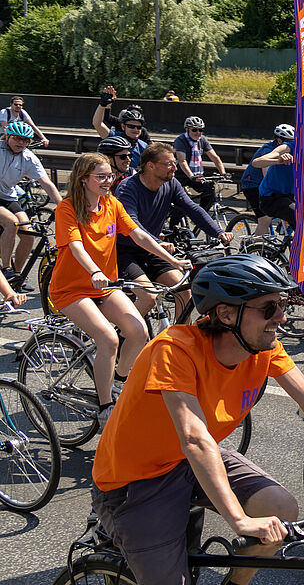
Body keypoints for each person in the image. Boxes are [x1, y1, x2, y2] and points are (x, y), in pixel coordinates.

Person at [91, 254, 304, 585]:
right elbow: (195, 437)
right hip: (135, 482)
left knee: (281, 508)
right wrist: (239, 520)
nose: (281, 318)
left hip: (190, 461)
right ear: (226, 313)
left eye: (282, 305)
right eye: (268, 309)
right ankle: (113, 531)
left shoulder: (263, 347)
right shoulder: (175, 349)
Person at [51, 154, 188, 424]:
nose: (107, 182)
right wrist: (95, 271)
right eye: (100, 177)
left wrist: (171, 260)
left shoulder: (111, 204)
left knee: (138, 331)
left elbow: (137, 234)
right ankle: (105, 407)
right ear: (83, 179)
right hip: (72, 289)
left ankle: (118, 381)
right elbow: (76, 246)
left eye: (109, 177)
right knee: (108, 339)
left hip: (104, 286)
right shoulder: (67, 209)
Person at [116, 143, 233, 319]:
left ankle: (177, 343)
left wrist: (218, 232)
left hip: (153, 250)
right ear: (150, 165)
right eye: (169, 163)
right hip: (125, 252)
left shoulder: (171, 183)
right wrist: (158, 242)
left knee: (184, 293)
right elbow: (132, 224)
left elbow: (192, 209)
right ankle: (126, 337)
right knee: (149, 297)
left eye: (175, 163)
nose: (175, 168)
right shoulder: (128, 188)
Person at [0, 121, 62, 292]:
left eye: (25, 140)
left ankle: (16, 277)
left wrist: (63, 207)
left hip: (7, 197)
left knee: (28, 233)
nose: (21, 143)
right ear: (8, 137)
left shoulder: (28, 158)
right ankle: (6, 269)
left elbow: (47, 183)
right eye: (17, 139)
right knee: (11, 222)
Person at [239, 124, 291, 235]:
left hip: (265, 185)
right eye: (288, 140)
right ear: (279, 140)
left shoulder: (290, 150)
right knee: (265, 219)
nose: (291, 143)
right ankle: (256, 248)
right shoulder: (268, 150)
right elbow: (266, 175)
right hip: (252, 185)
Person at [173, 116, 229, 213]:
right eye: (194, 130)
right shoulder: (180, 140)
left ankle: (200, 216)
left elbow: (215, 157)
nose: (198, 133)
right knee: (181, 204)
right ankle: (173, 225)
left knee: (209, 193)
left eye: (200, 130)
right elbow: (182, 161)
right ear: (187, 130)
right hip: (181, 175)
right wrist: (191, 176)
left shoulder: (202, 140)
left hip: (196, 174)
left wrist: (223, 173)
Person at [254, 124, 298, 227]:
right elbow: (256, 162)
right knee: (300, 219)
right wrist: (279, 161)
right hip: (271, 198)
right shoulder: (286, 147)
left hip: (289, 196)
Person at [91, 87, 148, 164]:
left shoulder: (144, 147)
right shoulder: (114, 137)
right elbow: (97, 124)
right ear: (123, 127)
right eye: (131, 126)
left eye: (139, 127)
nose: (136, 130)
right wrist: (103, 105)